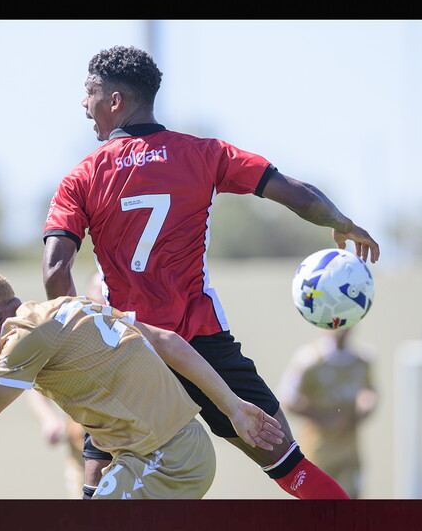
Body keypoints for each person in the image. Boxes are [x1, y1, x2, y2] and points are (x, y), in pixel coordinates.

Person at [42, 45, 380, 500]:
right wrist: (342, 222)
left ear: (116, 101)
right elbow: (294, 194)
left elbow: (55, 270)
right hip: (204, 345)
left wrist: (82, 347)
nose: (85, 105)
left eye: (90, 93)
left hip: (125, 349)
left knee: (97, 492)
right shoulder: (203, 154)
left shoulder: (81, 177)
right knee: (289, 466)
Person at [0, 265, 285, 499]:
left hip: (168, 460)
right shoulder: (70, 306)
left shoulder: (29, 335)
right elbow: (166, 340)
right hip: (162, 455)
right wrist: (231, 406)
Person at [27, 272, 104, 498]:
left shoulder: (134, 335)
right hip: (83, 457)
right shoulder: (75, 338)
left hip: (129, 455)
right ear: (87, 295)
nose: (104, 297)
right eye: (100, 290)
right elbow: (37, 389)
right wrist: (49, 419)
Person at [276, 327, 378, 498]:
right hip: (318, 453)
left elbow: (370, 392)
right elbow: (286, 399)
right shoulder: (309, 360)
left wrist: (367, 405)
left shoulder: (363, 360)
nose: (340, 329)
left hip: (349, 452)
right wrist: (321, 417)